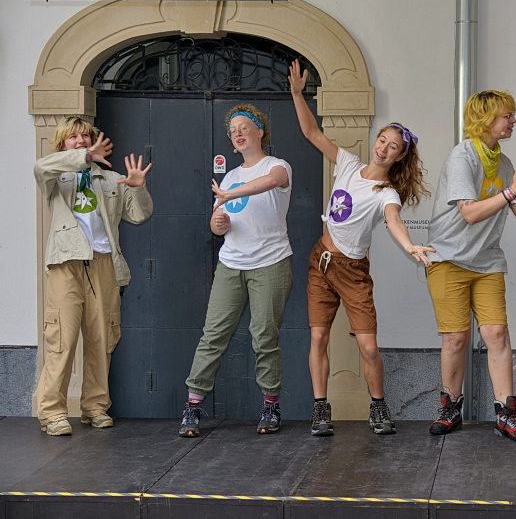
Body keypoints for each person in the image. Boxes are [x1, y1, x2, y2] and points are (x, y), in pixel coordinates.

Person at [273, 59, 432, 436]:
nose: (384, 148)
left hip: (352, 271)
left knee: (369, 347)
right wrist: (297, 94)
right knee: (318, 337)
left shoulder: (386, 192)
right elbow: (312, 132)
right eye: (382, 141)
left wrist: (410, 246)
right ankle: (320, 408)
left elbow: (394, 221)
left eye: (393, 147)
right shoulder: (347, 163)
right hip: (320, 262)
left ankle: (378, 406)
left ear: (400, 157)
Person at [426, 90, 516, 443]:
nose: (513, 120)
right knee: (456, 338)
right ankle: (449, 409)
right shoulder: (462, 156)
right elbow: (469, 212)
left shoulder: (503, 163)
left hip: (487, 259)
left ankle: (506, 414)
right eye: (507, 115)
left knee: (496, 334)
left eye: (512, 114)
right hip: (448, 258)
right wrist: (511, 192)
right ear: (486, 119)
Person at [178, 104, 293, 438]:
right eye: (233, 131)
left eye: (244, 127)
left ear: (260, 131)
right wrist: (219, 221)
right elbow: (217, 226)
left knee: (264, 335)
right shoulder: (228, 176)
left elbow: (271, 182)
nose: (238, 133)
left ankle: (270, 406)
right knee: (213, 334)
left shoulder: (277, 165)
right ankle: (193, 406)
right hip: (231, 264)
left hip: (270, 263)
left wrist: (229, 194)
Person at [34, 116, 153, 436]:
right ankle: (52, 413)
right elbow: (40, 167)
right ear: (62, 144)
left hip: (104, 263)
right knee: (62, 339)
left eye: (86, 136)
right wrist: (82, 158)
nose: (81, 141)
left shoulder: (111, 179)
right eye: (73, 137)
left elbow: (139, 214)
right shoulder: (55, 176)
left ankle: (95, 406)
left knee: (102, 339)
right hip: (66, 262)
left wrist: (139, 188)